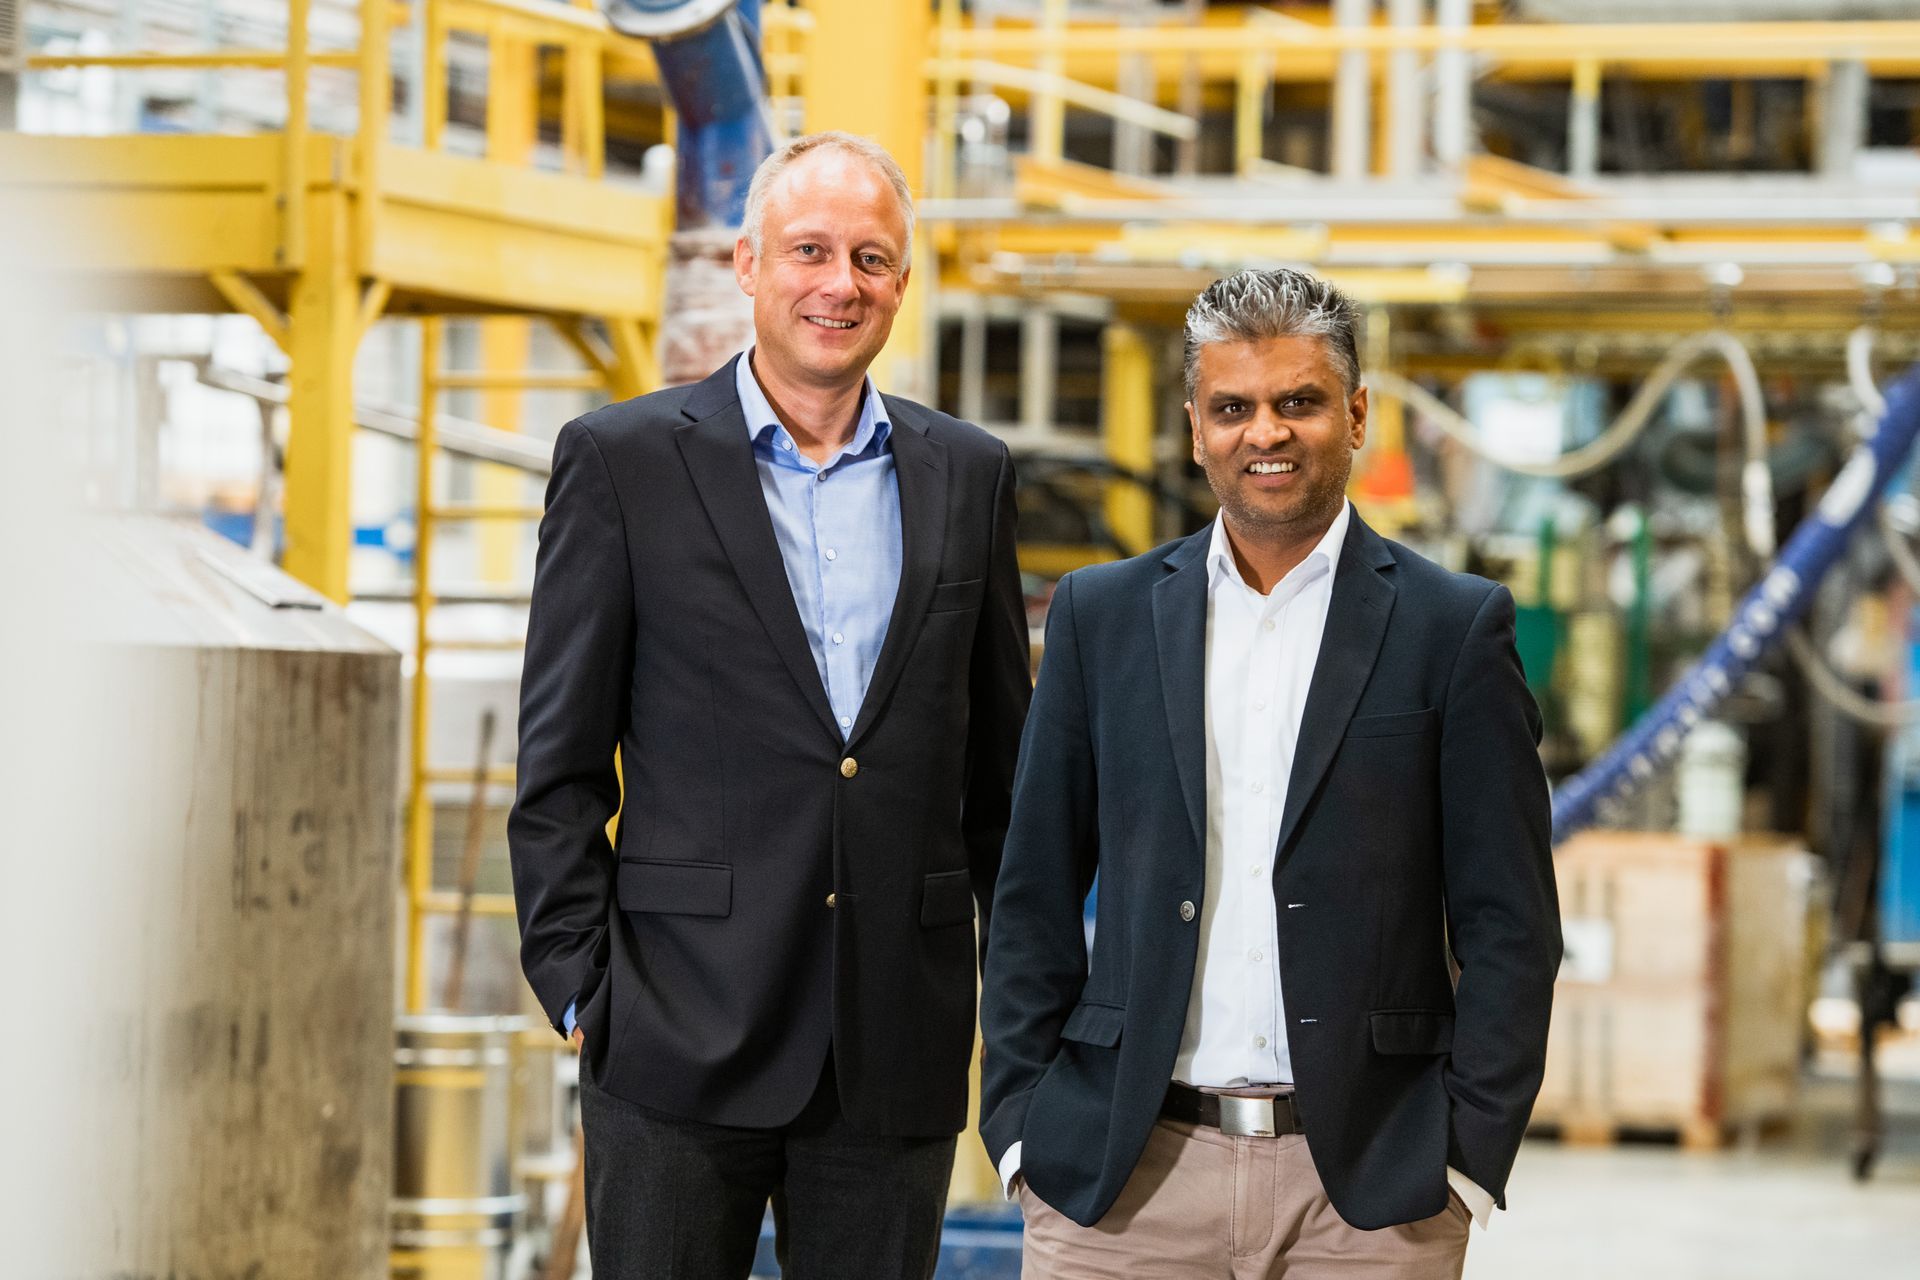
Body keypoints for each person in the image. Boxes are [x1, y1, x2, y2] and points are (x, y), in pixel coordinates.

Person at [510, 131, 1031, 1280]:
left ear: (902, 280)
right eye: (809, 250)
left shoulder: (971, 473)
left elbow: (1003, 780)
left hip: (894, 1037)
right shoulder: (623, 460)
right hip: (672, 1030)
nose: (839, 283)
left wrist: (1025, 1006)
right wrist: (579, 990)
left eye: (871, 257)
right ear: (748, 263)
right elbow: (557, 765)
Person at [979, 267, 1560, 1279]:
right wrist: (1023, 1127)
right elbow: (1032, 888)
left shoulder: (1451, 628)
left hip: (1371, 1194)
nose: (1267, 432)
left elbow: (1510, 918)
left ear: (1356, 412)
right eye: (1234, 407)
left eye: (1299, 401)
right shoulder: (1100, 617)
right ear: (1197, 425)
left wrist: (1464, 1155)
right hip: (1123, 1180)